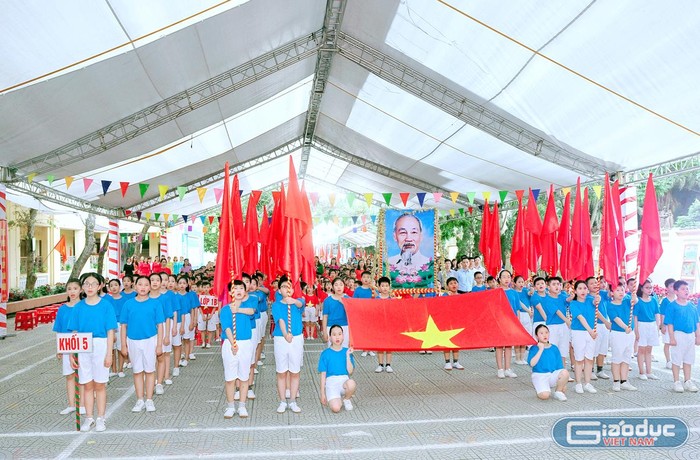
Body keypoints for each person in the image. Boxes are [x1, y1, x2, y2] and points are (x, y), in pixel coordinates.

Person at [68, 273, 117, 433]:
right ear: (82, 287)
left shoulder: (106, 306)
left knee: (100, 384)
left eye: (93, 284)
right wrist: (71, 354)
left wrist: (109, 353)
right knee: (87, 384)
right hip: (83, 346)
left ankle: (101, 418)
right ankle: (89, 418)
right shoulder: (78, 307)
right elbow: (74, 331)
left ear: (100, 286)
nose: (89, 287)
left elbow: (110, 331)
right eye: (86, 284)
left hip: (100, 344)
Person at [120, 275, 164, 412]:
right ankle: (140, 399)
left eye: (146, 284)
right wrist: (123, 345)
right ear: (135, 286)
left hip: (150, 340)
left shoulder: (155, 303)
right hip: (132, 340)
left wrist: (159, 345)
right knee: (137, 371)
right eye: (140, 284)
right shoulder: (128, 304)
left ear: (150, 287)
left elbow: (160, 325)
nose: (143, 287)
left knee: (150, 370)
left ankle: (149, 399)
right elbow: (123, 325)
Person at [220, 280, 257, 418]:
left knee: (244, 376)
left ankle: (242, 405)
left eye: (241, 288)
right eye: (235, 288)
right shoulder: (225, 309)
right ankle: (230, 406)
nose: (239, 290)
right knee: (230, 378)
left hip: (246, 343)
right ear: (230, 292)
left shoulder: (249, 305)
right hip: (230, 344)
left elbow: (252, 311)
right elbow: (227, 327)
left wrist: (238, 309)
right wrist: (233, 343)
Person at [272, 278, 306, 413]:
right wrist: (286, 334)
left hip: (297, 338)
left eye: (289, 286)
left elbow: (300, 304)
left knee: (295, 371)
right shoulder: (276, 305)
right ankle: (282, 401)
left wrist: (293, 301)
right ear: (279, 290)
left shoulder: (298, 301)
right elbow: (280, 320)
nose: (287, 289)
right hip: (281, 339)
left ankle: (292, 401)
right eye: (284, 287)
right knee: (281, 372)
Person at [54, 278, 86, 415]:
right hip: (66, 344)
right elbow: (58, 329)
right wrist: (59, 348)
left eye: (75, 288)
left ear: (81, 290)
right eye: (69, 289)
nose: (72, 291)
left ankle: (83, 404)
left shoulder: (85, 306)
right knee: (70, 375)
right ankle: (72, 404)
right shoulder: (62, 309)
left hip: (82, 343)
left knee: (83, 375)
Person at [664, 280, 700, 393]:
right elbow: (670, 323)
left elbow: (697, 323)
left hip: (690, 336)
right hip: (678, 335)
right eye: (683, 289)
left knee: (688, 359)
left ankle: (687, 381)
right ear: (676, 291)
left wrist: (697, 336)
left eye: (687, 288)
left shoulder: (692, 307)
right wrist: (672, 338)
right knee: (677, 359)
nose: (686, 291)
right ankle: (676, 381)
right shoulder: (672, 306)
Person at [569, 280, 599, 394]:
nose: (583, 291)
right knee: (579, 359)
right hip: (579, 333)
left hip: (591, 333)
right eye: (580, 288)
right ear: (575, 291)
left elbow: (596, 301)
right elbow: (581, 318)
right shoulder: (573, 304)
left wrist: (598, 299)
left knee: (589, 359)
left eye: (585, 288)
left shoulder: (591, 301)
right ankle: (578, 383)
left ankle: (587, 383)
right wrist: (591, 331)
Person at [319, 325, 356, 412]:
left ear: (343, 336)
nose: (337, 337)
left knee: (351, 383)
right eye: (334, 334)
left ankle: (346, 399)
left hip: (344, 382)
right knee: (336, 408)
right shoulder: (325, 353)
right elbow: (323, 375)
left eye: (340, 334)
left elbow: (350, 372)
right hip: (331, 383)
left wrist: (347, 356)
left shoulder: (347, 351)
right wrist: (322, 394)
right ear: (330, 338)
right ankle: (337, 399)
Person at [607, 282, 637, 391]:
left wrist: (634, 295)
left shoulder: (627, 301)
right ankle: (616, 381)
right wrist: (625, 327)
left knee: (626, 357)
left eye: (622, 290)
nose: (620, 292)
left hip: (629, 334)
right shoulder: (610, 305)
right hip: (618, 334)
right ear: (611, 293)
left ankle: (624, 381)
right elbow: (616, 319)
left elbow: (635, 301)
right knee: (617, 358)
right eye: (617, 290)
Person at [528, 324, 569, 401]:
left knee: (565, 373)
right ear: (537, 336)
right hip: (539, 375)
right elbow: (532, 364)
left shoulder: (554, 348)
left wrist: (562, 381)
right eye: (541, 333)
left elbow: (560, 367)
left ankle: (558, 391)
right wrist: (540, 349)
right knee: (545, 396)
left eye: (546, 332)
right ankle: (543, 388)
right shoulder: (534, 348)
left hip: (551, 374)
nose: (544, 335)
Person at [634, 279, 661, 381]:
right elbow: (635, 316)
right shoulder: (638, 301)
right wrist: (636, 330)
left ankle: (649, 372)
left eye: (651, 287)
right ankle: (642, 372)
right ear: (641, 288)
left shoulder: (654, 300)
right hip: (642, 325)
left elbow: (657, 313)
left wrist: (657, 327)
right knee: (641, 350)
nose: (649, 289)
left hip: (652, 325)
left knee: (649, 350)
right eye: (647, 287)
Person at [586, 277, 612, 381]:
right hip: (595, 324)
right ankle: (590, 370)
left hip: (604, 326)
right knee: (593, 348)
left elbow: (611, 293)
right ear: (587, 286)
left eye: (596, 283)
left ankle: (600, 369)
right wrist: (606, 321)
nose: (595, 284)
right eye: (591, 283)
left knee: (602, 348)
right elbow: (595, 311)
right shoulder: (587, 297)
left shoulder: (603, 294)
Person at [495, 270, 520, 378]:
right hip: (499, 321)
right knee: (499, 346)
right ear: (499, 279)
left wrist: (518, 322)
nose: (506, 279)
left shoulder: (514, 292)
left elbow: (517, 308)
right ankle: (500, 369)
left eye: (508, 277)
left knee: (509, 346)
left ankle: (507, 368)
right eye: (504, 277)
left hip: (511, 322)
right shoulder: (496, 292)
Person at [107, 279, 129, 377]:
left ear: (120, 287)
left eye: (116, 285)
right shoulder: (107, 300)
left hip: (121, 325)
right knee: (111, 348)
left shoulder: (125, 300)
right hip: (110, 326)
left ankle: (120, 370)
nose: (114, 287)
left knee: (120, 347)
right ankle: (114, 369)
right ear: (109, 288)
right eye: (111, 285)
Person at [442, 277, 465, 371]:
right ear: (447, 286)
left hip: (457, 322)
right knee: (446, 341)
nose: (453, 285)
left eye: (455, 283)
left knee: (456, 342)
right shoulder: (444, 295)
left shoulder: (461, 296)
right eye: (451, 283)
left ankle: (456, 362)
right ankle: (447, 362)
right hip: (446, 321)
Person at [374, 276, 395, 372]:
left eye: (387, 286)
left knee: (389, 345)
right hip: (379, 326)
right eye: (382, 286)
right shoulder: (376, 299)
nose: (385, 288)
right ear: (379, 288)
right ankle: (380, 364)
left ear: (389, 287)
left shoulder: (392, 299)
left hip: (390, 325)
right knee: (380, 345)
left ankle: (388, 364)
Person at [322, 278, 350, 348]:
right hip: (331, 327)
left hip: (345, 327)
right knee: (332, 349)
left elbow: (352, 314)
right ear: (332, 287)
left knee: (345, 349)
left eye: (341, 285)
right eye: (336, 285)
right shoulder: (327, 300)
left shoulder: (348, 299)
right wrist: (325, 332)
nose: (339, 287)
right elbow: (325, 317)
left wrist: (344, 303)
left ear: (344, 286)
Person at [513, 275, 533, 365]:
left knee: (525, 335)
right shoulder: (514, 293)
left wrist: (532, 289)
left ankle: (522, 357)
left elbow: (530, 294)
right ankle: (517, 357)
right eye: (519, 282)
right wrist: (528, 310)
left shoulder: (525, 291)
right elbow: (519, 304)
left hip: (527, 316)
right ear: (514, 283)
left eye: (522, 282)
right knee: (518, 336)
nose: (521, 284)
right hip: (519, 314)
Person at [659, 278, 676, 369]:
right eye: (671, 286)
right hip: (667, 324)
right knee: (667, 343)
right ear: (667, 288)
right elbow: (662, 314)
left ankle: (675, 361)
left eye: (674, 286)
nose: (673, 288)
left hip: (676, 326)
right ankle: (668, 361)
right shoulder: (665, 301)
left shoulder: (678, 299)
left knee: (675, 343)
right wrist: (662, 325)